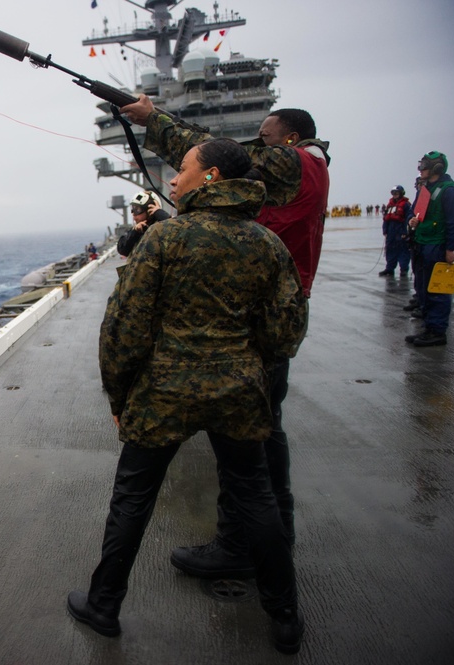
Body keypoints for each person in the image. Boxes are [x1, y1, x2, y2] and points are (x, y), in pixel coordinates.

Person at [67, 138, 308, 654]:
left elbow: (124, 328)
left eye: (182, 169)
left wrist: (118, 396)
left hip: (164, 392)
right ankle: (284, 616)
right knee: (257, 498)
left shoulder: (164, 240)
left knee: (132, 498)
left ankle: (104, 605)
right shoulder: (267, 244)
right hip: (239, 392)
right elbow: (284, 335)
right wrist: (245, 362)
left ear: (211, 176)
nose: (173, 180)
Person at [120, 96, 329, 576]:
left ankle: (242, 551)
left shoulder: (297, 165)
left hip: (250, 333)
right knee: (260, 457)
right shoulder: (311, 173)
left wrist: (154, 120)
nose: (261, 143)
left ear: (292, 141)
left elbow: (221, 155)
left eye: (268, 137)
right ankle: (272, 555)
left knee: (249, 466)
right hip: (271, 324)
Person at [404, 151, 454, 347]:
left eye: (424, 166)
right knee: (422, 289)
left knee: (437, 290)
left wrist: (450, 248)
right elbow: (415, 211)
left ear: (436, 168)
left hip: (436, 246)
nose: (420, 170)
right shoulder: (425, 189)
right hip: (421, 243)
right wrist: (412, 220)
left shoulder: (449, 191)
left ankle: (437, 331)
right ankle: (428, 327)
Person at [116, 191, 171, 257]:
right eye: (133, 209)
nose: (134, 214)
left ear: (150, 210)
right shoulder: (138, 231)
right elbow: (122, 249)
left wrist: (159, 213)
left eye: (137, 210)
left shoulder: (162, 227)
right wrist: (134, 233)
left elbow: (174, 228)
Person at [379, 185, 411, 276]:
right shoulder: (390, 205)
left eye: (397, 193)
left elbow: (408, 219)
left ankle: (404, 270)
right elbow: (386, 219)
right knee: (390, 250)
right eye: (393, 193)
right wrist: (385, 231)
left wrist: (405, 232)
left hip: (400, 231)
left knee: (403, 251)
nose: (395, 195)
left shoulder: (406, 205)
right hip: (391, 232)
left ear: (401, 193)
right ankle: (389, 268)